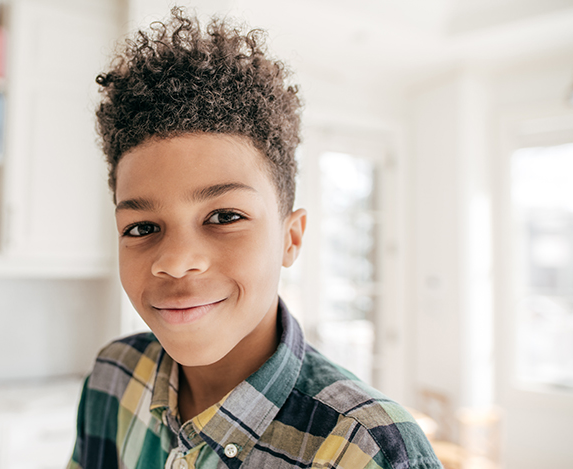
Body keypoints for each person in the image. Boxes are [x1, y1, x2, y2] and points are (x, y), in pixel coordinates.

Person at [69, 7, 442, 469]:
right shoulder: (113, 375)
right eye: (142, 228)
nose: (176, 261)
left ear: (291, 238)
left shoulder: (367, 449)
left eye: (224, 216)